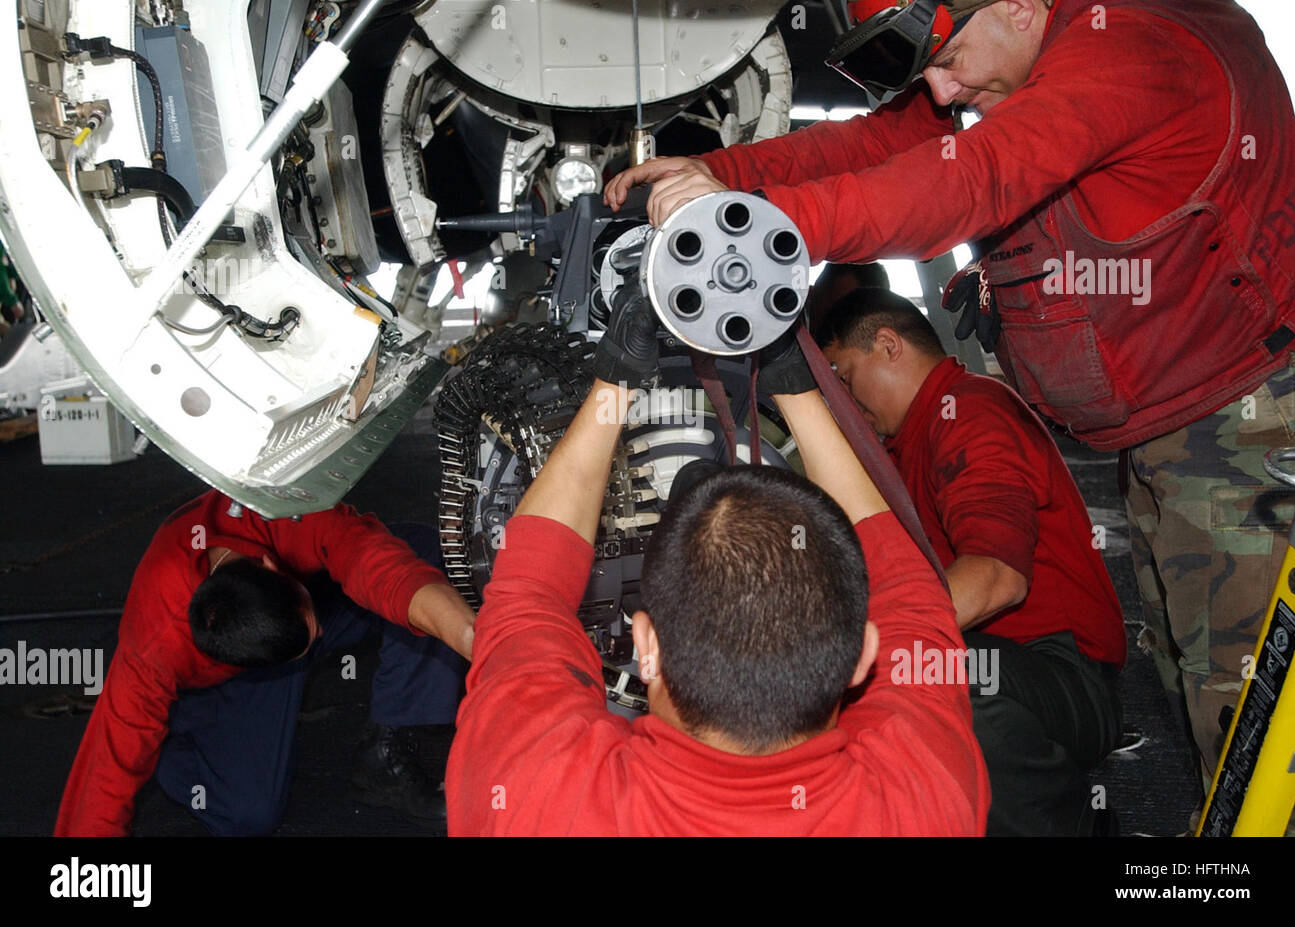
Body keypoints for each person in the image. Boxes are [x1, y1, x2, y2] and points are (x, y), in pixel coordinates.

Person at [605, 0, 1295, 790]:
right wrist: (715, 173)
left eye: (948, 63)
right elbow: (863, 149)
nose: (940, 93)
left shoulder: (1126, 51)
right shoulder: (1013, 64)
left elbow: (969, 182)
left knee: (1252, 711)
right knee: (1196, 677)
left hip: (1242, 426)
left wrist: (749, 225)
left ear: (1020, 5)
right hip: (1163, 430)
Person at [443, 285, 990, 836]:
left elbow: (526, 597)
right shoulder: (925, 795)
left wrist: (615, 383)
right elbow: (911, 595)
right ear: (862, 653)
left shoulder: (535, 797)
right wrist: (792, 381)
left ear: (647, 647)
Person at [817, 286, 1124, 834]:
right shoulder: (905, 438)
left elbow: (997, 579)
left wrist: (848, 653)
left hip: (1063, 671)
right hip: (1001, 652)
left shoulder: (972, 413)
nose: (846, 399)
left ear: (888, 346)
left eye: (843, 376)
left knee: (937, 678)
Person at [54, 490, 476, 836]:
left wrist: (475, 640)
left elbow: (376, 561)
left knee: (424, 554)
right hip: (234, 680)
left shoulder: (281, 515)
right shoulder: (153, 646)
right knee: (247, 816)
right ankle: (178, 745)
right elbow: (102, 778)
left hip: (292, 603)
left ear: (273, 565)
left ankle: (386, 754)